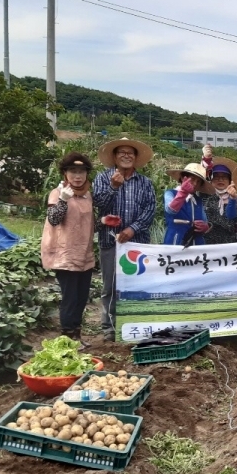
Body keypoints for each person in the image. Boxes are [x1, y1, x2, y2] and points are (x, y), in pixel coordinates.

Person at [93, 137, 156, 340]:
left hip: (137, 243)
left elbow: (150, 209)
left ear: (136, 158)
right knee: (110, 285)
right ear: (114, 157)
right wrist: (112, 187)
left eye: (131, 153)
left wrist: (133, 228)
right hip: (110, 241)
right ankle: (109, 328)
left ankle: (135, 324)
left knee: (137, 284)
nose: (126, 156)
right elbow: (98, 206)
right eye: (122, 152)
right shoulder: (103, 178)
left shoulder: (145, 183)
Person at [41, 152, 96, 346]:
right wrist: (63, 200)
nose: (78, 176)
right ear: (65, 173)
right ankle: (66, 338)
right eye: (73, 171)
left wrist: (103, 222)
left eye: (82, 171)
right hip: (64, 255)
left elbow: (85, 222)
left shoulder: (88, 195)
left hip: (84, 255)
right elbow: (54, 219)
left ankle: (77, 336)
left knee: (81, 298)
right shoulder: (57, 193)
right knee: (70, 298)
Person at [164, 163, 212, 246]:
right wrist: (183, 192)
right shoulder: (170, 193)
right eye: (193, 179)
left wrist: (205, 227)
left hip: (196, 244)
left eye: (198, 181)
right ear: (183, 178)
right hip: (175, 242)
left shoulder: (198, 200)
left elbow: (205, 221)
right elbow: (170, 210)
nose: (195, 183)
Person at [200, 156, 237, 245]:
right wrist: (206, 159)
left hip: (229, 243)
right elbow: (200, 176)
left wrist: (232, 199)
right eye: (216, 177)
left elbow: (232, 217)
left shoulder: (236, 198)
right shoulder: (204, 195)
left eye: (224, 177)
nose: (220, 180)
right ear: (211, 180)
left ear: (230, 181)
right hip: (206, 242)